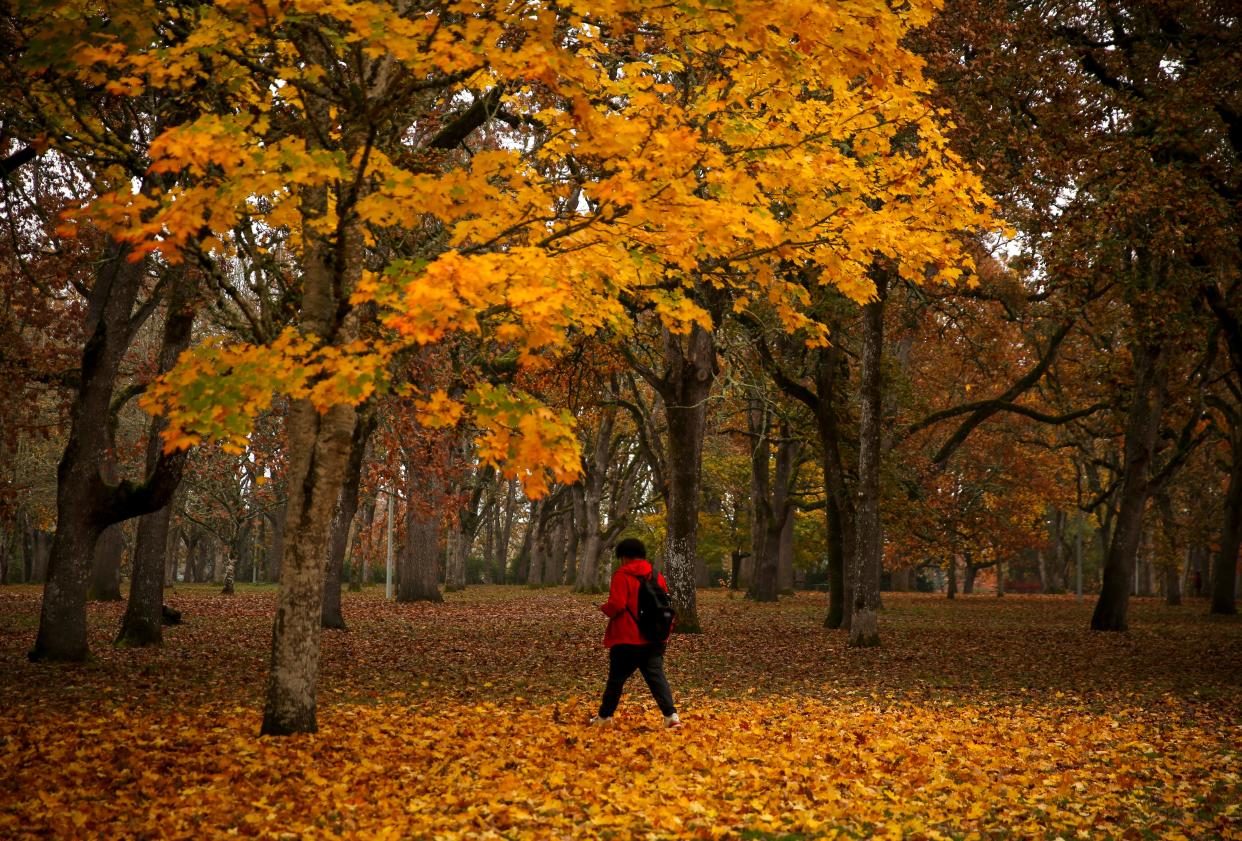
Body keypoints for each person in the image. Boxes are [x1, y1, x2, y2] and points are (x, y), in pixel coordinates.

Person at [590, 537, 681, 729]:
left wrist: (604, 608)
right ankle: (671, 716)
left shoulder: (622, 575)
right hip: (655, 636)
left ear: (623, 557)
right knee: (656, 677)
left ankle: (605, 718)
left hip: (627, 637)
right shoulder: (657, 576)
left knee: (616, 679)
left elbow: (618, 605)